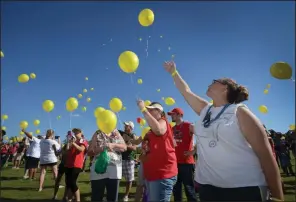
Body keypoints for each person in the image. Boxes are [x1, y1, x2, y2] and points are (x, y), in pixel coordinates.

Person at [163, 60, 283, 201]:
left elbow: (265, 155)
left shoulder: (239, 112)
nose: (210, 83)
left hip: (244, 188)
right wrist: (173, 72)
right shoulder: (205, 110)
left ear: (225, 88)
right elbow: (186, 91)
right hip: (208, 187)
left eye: (215, 81)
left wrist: (278, 196)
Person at [136, 101, 177, 202]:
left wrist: (143, 109)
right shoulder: (150, 130)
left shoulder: (163, 121)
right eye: (148, 109)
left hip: (162, 174)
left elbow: (159, 130)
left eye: (151, 109)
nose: (148, 111)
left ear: (159, 111)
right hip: (151, 174)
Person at [88, 129, 127, 202]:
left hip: (114, 172)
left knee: (112, 198)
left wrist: (114, 145)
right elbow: (89, 152)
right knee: (96, 198)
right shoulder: (97, 133)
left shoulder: (116, 132)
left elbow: (125, 147)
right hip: (98, 171)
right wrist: (102, 148)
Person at [167, 108, 197, 202]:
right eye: (171, 114)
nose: (171, 116)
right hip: (175, 163)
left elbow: (202, 135)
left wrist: (193, 151)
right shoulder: (172, 129)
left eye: (173, 114)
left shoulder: (189, 125)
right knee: (176, 190)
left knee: (189, 190)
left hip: (187, 163)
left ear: (180, 115)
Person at [65, 128, 88, 202]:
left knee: (72, 182)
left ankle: (78, 199)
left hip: (77, 164)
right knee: (68, 182)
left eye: (77, 132)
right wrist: (69, 142)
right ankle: (70, 198)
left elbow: (81, 149)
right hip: (69, 163)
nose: (75, 133)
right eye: (74, 132)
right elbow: (67, 150)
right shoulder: (74, 141)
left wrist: (73, 143)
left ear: (81, 133)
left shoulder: (83, 141)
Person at [119, 121, 137, 202]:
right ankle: (114, 193)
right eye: (125, 125)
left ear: (131, 127)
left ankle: (126, 195)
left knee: (129, 180)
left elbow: (134, 148)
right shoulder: (121, 133)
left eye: (127, 125)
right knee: (116, 178)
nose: (125, 126)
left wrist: (124, 145)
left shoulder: (134, 136)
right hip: (119, 159)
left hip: (129, 159)